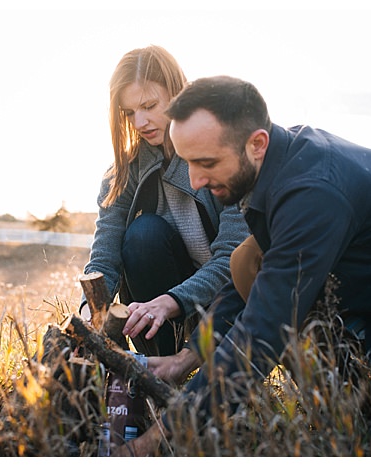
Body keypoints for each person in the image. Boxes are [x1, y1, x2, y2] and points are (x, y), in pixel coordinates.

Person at [119, 75, 371, 455]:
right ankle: (354, 404)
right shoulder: (276, 161)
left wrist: (153, 443)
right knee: (247, 261)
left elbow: (262, 332)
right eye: (188, 161)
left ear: (256, 143)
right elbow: (255, 287)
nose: (195, 180)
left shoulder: (314, 190)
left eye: (206, 162)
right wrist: (185, 358)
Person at [80, 49, 249, 357]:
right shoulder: (123, 171)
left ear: (177, 92)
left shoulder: (224, 154)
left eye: (149, 105)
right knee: (144, 233)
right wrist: (88, 314)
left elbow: (232, 258)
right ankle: (156, 364)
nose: (140, 121)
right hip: (153, 315)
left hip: (222, 301)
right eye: (129, 112)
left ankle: (197, 360)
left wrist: (172, 300)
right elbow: (104, 254)